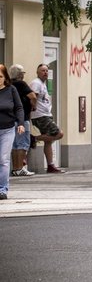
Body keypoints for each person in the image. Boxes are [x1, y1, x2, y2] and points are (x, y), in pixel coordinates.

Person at [1, 64, 28, 200]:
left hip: (7, 130)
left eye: (0, 76)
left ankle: (2, 189)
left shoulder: (11, 90)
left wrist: (21, 123)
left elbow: (19, 107)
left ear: (5, 77)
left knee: (3, 159)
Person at [30, 64, 64, 173]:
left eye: (46, 71)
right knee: (58, 133)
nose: (45, 72)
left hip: (46, 114)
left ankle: (50, 165)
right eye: (42, 70)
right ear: (37, 72)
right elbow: (33, 96)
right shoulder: (36, 83)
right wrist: (33, 108)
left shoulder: (44, 84)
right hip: (40, 116)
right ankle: (33, 139)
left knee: (48, 141)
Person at [9, 65, 36, 176]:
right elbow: (33, 96)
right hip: (22, 118)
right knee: (23, 144)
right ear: (20, 74)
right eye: (23, 73)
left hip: (11, 118)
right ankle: (20, 168)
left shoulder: (8, 84)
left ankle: (15, 168)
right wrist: (34, 106)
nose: (24, 74)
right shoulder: (21, 84)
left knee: (14, 145)